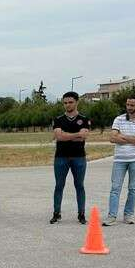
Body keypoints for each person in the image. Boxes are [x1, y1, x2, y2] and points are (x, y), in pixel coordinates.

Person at [103, 93, 135, 226]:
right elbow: (112, 138)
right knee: (115, 188)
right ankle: (111, 216)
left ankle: (128, 215)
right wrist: (134, 139)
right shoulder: (118, 119)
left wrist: (124, 137)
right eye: (127, 104)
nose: (129, 107)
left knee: (133, 188)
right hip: (119, 159)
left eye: (132, 105)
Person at [51, 91, 91, 224]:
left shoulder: (84, 119)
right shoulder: (58, 119)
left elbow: (83, 137)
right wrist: (76, 135)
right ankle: (56, 213)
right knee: (59, 185)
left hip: (79, 157)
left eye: (70, 102)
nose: (67, 105)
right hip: (61, 157)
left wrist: (66, 136)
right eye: (65, 103)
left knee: (79, 185)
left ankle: (81, 214)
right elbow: (58, 136)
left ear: (76, 102)